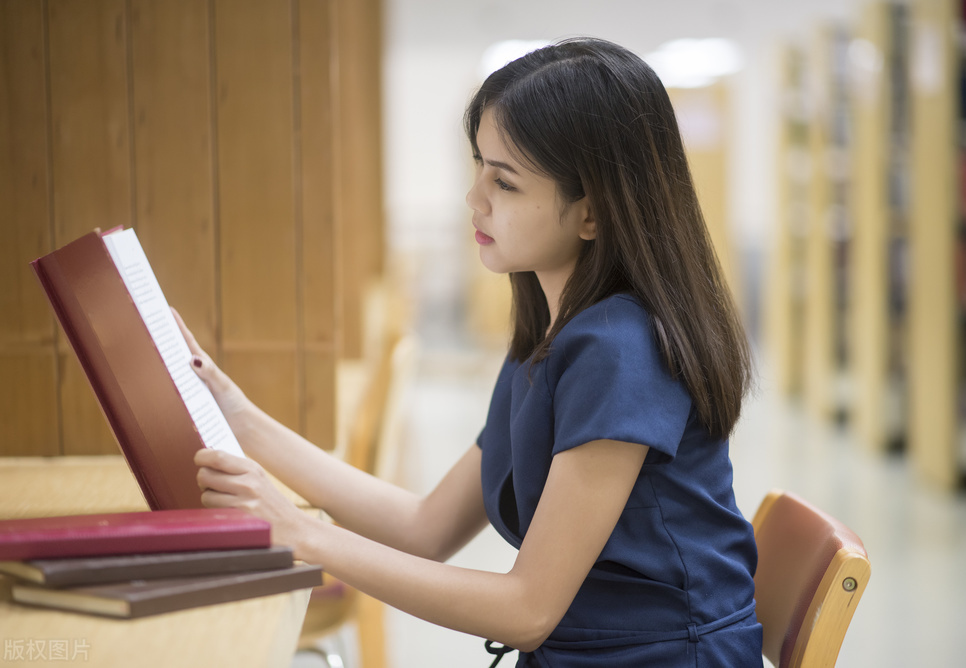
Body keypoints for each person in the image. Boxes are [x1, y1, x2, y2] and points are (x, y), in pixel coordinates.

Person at [177, 37, 763, 667]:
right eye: (479, 166)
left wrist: (302, 534)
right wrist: (236, 414)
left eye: (504, 182)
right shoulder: (553, 335)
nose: (474, 198)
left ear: (591, 213)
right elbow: (425, 528)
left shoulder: (620, 353)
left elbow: (527, 612)